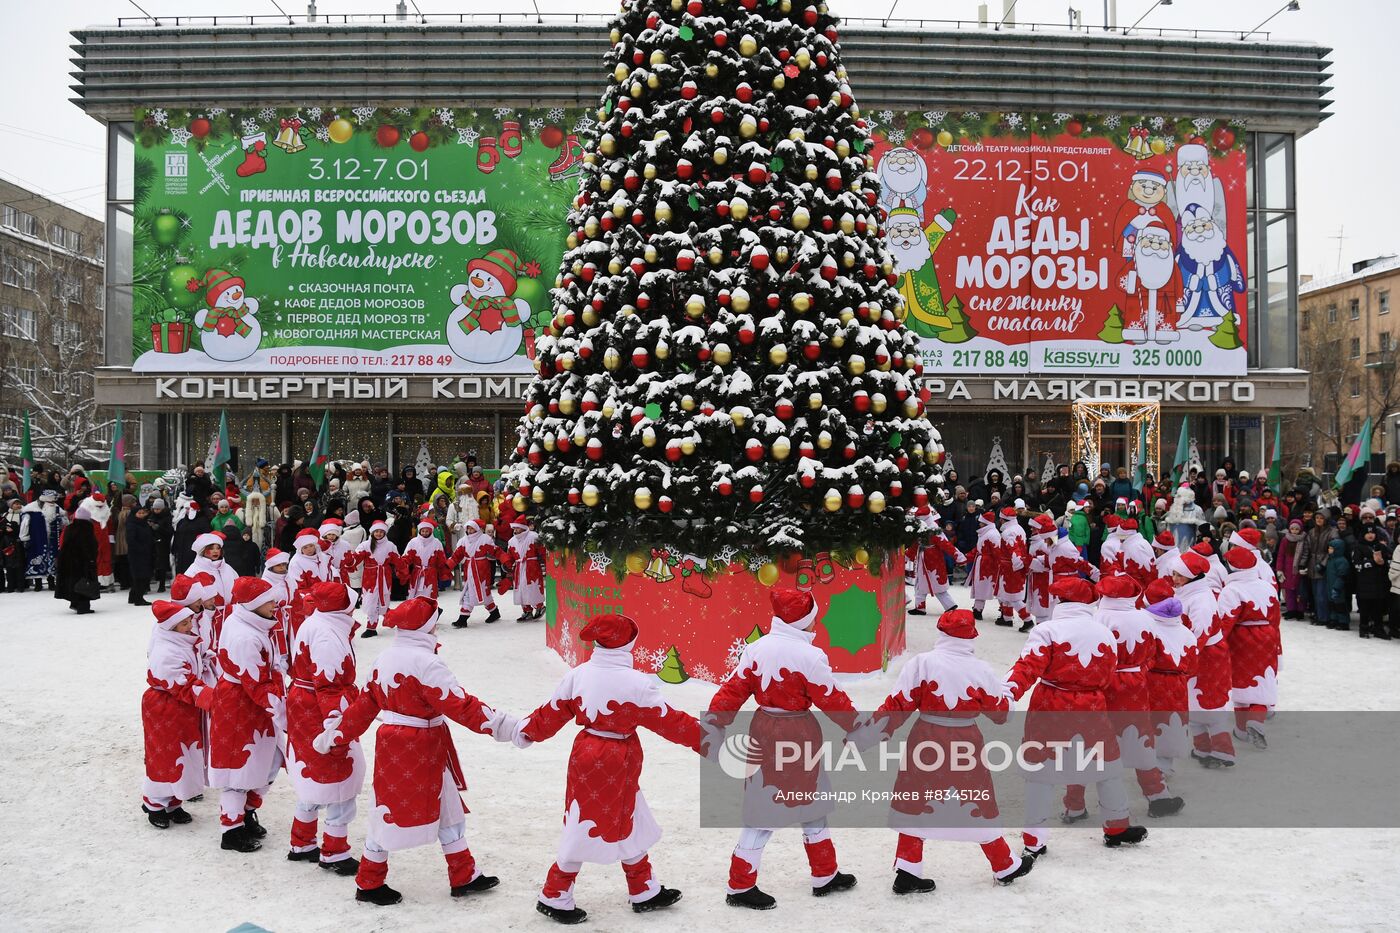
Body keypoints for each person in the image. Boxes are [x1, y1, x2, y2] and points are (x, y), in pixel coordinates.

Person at [313, 596, 518, 906]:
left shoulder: (385, 658)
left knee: (446, 807)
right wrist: (505, 726)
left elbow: (364, 707)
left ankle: (463, 874)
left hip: (406, 744)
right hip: (418, 745)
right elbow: (461, 705)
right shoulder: (426, 663)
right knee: (387, 815)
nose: (437, 627)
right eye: (433, 622)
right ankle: (369, 883)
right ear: (424, 627)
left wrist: (338, 735)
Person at [512, 613, 700, 923]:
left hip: (586, 753)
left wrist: (528, 731)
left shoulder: (579, 674)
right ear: (629, 644)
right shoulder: (637, 683)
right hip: (616, 759)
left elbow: (552, 711)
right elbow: (671, 722)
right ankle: (554, 894)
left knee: (624, 816)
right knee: (586, 824)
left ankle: (643, 888)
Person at [706, 587, 862, 910]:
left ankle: (824, 873)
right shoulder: (811, 656)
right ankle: (741, 886)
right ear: (803, 623)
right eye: (813, 620)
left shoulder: (756, 649)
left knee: (772, 806)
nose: (815, 625)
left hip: (763, 731)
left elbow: (733, 689)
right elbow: (834, 700)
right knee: (807, 805)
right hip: (799, 735)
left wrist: (714, 722)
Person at [872, 609, 1034, 891]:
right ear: (972, 635)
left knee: (916, 799)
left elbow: (898, 704)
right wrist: (1007, 694)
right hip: (965, 742)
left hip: (925, 739)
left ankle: (908, 870)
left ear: (941, 632)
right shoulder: (980, 669)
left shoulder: (921, 663)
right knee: (976, 800)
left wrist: (869, 732)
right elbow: (1001, 714)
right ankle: (1004, 865)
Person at [1003, 577, 1147, 855]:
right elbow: (1109, 674)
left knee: (1041, 774)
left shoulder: (1047, 631)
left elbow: (1026, 667)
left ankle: (1035, 840)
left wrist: (1007, 693)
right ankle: (1117, 826)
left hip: (1050, 706)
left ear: (1059, 601)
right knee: (1107, 769)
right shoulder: (1104, 632)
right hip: (1092, 707)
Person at [1063, 575, 1183, 821]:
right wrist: (1139, 670)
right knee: (1139, 738)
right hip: (1135, 687)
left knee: (1088, 741)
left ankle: (1074, 804)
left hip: (1101, 686)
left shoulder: (1096, 617)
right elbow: (1153, 653)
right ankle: (1158, 796)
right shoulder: (1145, 618)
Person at [286, 581, 365, 876]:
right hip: (320, 710)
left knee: (314, 775)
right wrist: (336, 727)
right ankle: (335, 851)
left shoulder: (318, 622)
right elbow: (330, 685)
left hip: (305, 703)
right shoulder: (327, 635)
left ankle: (302, 842)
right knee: (338, 778)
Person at [208, 576, 286, 853]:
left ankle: (246, 812)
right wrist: (283, 709)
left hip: (252, 703)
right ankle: (231, 830)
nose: (275, 605)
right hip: (240, 706)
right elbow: (256, 681)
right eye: (269, 601)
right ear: (254, 604)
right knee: (237, 770)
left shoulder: (251, 622)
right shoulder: (245, 635)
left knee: (266, 762)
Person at [141, 600, 214, 829]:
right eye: (184, 623)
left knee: (186, 753)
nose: (190, 626)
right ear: (171, 627)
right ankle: (154, 803)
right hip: (165, 708)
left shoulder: (184, 641)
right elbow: (182, 682)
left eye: (189, 621)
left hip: (183, 708)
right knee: (166, 754)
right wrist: (213, 698)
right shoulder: (165, 650)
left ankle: (173, 801)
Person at [1171, 550, 1235, 768]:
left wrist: (1186, 655)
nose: (1175, 579)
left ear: (1193, 576)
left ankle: (1223, 750)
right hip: (1196, 654)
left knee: (1209, 703)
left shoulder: (1201, 599)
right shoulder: (1187, 593)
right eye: (1174, 574)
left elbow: (1200, 632)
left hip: (1207, 656)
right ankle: (1202, 748)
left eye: (1180, 575)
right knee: (1194, 701)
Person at [1217, 549, 1282, 751]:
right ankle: (1257, 719)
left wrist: (1218, 645)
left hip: (1241, 639)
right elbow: (1276, 617)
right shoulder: (1267, 586)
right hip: (1267, 637)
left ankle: (1241, 728)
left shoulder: (1231, 590)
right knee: (1263, 681)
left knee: (1241, 683)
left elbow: (1224, 621)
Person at [1142, 578, 1198, 779]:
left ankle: (1151, 764)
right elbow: (1193, 665)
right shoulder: (1185, 632)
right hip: (1178, 684)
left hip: (1151, 681)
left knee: (1152, 721)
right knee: (1173, 721)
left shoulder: (1148, 629)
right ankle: (1166, 764)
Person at [909, 507, 964, 616]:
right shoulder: (921, 527)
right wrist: (907, 556)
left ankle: (950, 605)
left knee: (938, 585)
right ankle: (920, 608)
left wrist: (958, 556)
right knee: (920, 584)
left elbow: (946, 544)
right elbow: (915, 545)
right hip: (923, 559)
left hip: (933, 561)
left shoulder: (934, 529)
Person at [448, 519, 503, 627]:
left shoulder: (485, 538)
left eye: (472, 528)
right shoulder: (464, 540)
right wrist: (447, 566)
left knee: (478, 592)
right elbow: (457, 555)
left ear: (477, 528)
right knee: (475, 592)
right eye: (468, 528)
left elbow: (495, 551)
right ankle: (494, 612)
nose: (470, 530)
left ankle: (463, 619)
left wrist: (505, 559)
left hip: (482, 569)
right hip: (469, 568)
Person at [54, 496, 101, 615]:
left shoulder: (70, 528)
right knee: (84, 582)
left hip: (69, 561)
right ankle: (83, 606)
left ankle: (74, 603)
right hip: (83, 562)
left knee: (73, 582)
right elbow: (88, 546)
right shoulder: (86, 529)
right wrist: (91, 559)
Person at [287, 527, 330, 641]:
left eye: (311, 545)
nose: (309, 549)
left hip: (325, 598)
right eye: (305, 547)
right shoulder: (296, 562)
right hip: (308, 601)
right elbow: (297, 587)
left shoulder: (322, 557)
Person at [502, 520, 547, 621]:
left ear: (523, 527)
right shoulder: (512, 541)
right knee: (521, 590)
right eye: (514, 528)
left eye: (517, 528)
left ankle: (539, 606)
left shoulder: (533, 536)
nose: (515, 530)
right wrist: (507, 564)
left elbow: (542, 550)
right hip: (519, 567)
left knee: (532, 587)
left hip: (532, 566)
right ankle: (527, 611)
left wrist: (545, 561)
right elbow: (509, 556)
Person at [1350, 525, 1389, 639]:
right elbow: (1356, 564)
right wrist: (1373, 562)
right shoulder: (1358, 547)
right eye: (1368, 533)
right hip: (1364, 583)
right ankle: (1364, 628)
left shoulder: (1381, 546)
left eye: (1372, 533)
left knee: (1378, 608)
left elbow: (1387, 561)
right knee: (1365, 608)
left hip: (1379, 583)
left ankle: (1378, 629)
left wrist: (1382, 562)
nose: (1370, 535)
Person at [995, 506, 1030, 629]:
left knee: (1013, 596)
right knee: (1005, 594)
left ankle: (1027, 619)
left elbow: (1014, 551)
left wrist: (1017, 565)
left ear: (1004, 519)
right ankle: (1007, 618)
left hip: (1010, 567)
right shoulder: (1019, 529)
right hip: (1014, 566)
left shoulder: (1008, 532)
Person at [259, 548, 293, 668]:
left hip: (288, 618)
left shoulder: (288, 579)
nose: (282, 568)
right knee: (278, 645)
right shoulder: (266, 581)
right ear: (271, 567)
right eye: (279, 565)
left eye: (284, 564)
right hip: (274, 618)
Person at [966, 511, 1001, 621]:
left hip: (988, 565)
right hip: (982, 563)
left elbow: (997, 552)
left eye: (981, 522)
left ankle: (1005, 611)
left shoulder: (992, 534)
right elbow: (978, 549)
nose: (979, 524)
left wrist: (998, 566)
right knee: (981, 587)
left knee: (993, 588)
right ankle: (977, 609)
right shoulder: (985, 533)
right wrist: (967, 557)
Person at [403, 517, 449, 600]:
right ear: (419, 531)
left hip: (431, 573)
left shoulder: (436, 543)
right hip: (416, 573)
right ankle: (415, 611)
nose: (424, 533)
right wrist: (402, 567)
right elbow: (407, 557)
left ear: (430, 531)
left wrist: (444, 573)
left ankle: (430, 611)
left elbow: (441, 560)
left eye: (426, 531)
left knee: (429, 595)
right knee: (415, 595)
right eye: (422, 531)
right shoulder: (413, 542)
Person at [125, 503, 155, 606]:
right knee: (140, 576)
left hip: (145, 553)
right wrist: (141, 548)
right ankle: (138, 598)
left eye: (143, 513)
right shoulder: (132, 524)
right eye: (139, 513)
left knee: (141, 575)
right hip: (137, 554)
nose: (142, 515)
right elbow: (131, 540)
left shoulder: (144, 523)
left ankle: (133, 596)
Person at [1278, 519, 1306, 619]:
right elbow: (1281, 555)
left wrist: (1304, 566)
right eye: (1292, 529)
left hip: (1298, 568)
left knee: (1299, 591)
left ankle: (1300, 610)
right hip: (1287, 569)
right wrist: (1279, 569)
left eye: (1296, 529)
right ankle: (1291, 609)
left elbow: (1306, 553)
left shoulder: (1303, 539)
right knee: (1289, 591)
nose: (1294, 531)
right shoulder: (1285, 540)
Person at [1325, 537, 1353, 632]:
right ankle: (1334, 619)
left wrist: (1337, 587)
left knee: (1340, 605)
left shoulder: (1342, 561)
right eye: (1329, 548)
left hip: (1338, 588)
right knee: (1332, 604)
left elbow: (1342, 576)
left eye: (1331, 548)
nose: (1329, 550)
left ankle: (1343, 622)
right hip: (1330, 586)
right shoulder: (1330, 560)